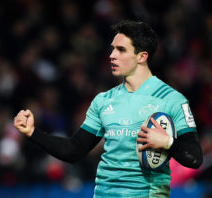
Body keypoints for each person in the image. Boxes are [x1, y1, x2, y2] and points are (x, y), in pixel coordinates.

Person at [14, 20, 203, 198]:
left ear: (142, 56)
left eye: (121, 50)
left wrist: (167, 142)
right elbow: (74, 150)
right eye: (113, 49)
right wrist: (32, 133)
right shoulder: (103, 101)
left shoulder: (172, 100)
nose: (112, 55)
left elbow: (195, 158)